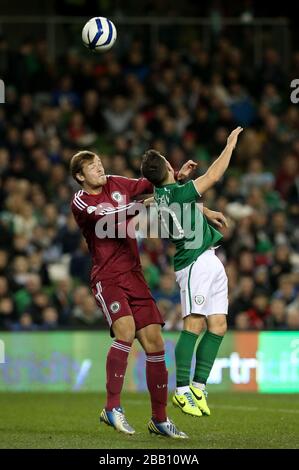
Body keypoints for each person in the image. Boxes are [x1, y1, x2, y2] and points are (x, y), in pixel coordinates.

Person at [70, 150, 196, 438]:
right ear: (80, 176)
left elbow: (147, 183)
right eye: (93, 167)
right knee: (125, 331)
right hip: (108, 277)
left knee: (155, 343)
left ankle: (160, 420)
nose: (100, 168)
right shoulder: (81, 202)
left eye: (101, 163)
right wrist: (144, 206)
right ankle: (112, 408)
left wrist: (174, 177)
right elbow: (111, 217)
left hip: (135, 276)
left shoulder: (116, 183)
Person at [141, 126, 243, 418]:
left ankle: (198, 386)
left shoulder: (164, 193)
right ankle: (182, 390)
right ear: (169, 168)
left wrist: (204, 210)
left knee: (219, 324)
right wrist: (229, 146)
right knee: (194, 325)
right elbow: (213, 176)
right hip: (194, 262)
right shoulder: (175, 192)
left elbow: (158, 198)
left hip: (208, 258)